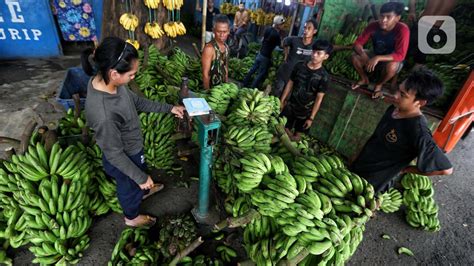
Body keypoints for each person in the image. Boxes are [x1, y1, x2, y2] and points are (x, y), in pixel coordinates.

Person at [82, 37, 185, 227]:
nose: (133, 78)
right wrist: (140, 177)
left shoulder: (109, 82)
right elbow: (114, 155)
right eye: (131, 74)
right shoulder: (104, 113)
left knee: (140, 177)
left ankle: (144, 190)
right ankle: (131, 217)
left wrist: (169, 108)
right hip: (123, 158)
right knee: (129, 188)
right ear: (114, 73)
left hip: (132, 150)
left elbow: (135, 101)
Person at [351, 69, 453, 194]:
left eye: (403, 95)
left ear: (420, 102)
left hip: (373, 182)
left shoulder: (418, 130)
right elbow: (376, 136)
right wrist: (357, 154)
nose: (395, 95)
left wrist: (406, 169)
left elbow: (446, 170)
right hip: (359, 166)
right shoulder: (394, 108)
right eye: (399, 90)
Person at [351, 2, 410, 99]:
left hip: (391, 59)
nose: (383, 20)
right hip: (376, 54)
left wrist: (378, 58)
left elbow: (400, 55)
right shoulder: (373, 26)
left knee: (392, 66)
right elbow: (357, 43)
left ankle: (379, 84)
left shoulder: (403, 30)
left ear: (397, 18)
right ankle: (364, 79)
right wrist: (363, 55)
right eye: (381, 16)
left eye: (388, 17)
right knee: (355, 57)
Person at [280, 40, 333, 141]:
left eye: (319, 53)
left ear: (326, 56)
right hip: (290, 106)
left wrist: (311, 118)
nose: (314, 55)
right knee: (281, 129)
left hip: (305, 113)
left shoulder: (324, 76)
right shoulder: (299, 66)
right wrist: (282, 100)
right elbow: (290, 83)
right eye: (313, 51)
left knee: (297, 137)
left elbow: (319, 98)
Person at [272, 19, 319, 97]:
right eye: (305, 27)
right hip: (285, 73)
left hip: (297, 78)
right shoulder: (294, 40)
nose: (306, 30)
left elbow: (329, 47)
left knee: (288, 97)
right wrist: (286, 54)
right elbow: (284, 42)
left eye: (309, 28)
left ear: (314, 31)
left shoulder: (315, 44)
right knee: (276, 94)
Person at [242, 15, 285, 89]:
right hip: (266, 57)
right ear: (278, 25)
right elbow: (280, 46)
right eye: (282, 24)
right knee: (260, 74)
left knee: (253, 69)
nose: (283, 26)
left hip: (260, 53)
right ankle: (252, 88)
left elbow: (263, 39)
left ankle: (244, 83)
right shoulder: (276, 35)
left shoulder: (268, 29)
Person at [202, 14, 231, 90]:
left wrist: (226, 87)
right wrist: (207, 93)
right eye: (219, 32)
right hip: (211, 91)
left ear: (228, 31)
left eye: (224, 32)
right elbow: (205, 74)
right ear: (213, 31)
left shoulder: (227, 48)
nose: (222, 35)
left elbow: (226, 70)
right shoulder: (209, 49)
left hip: (221, 91)